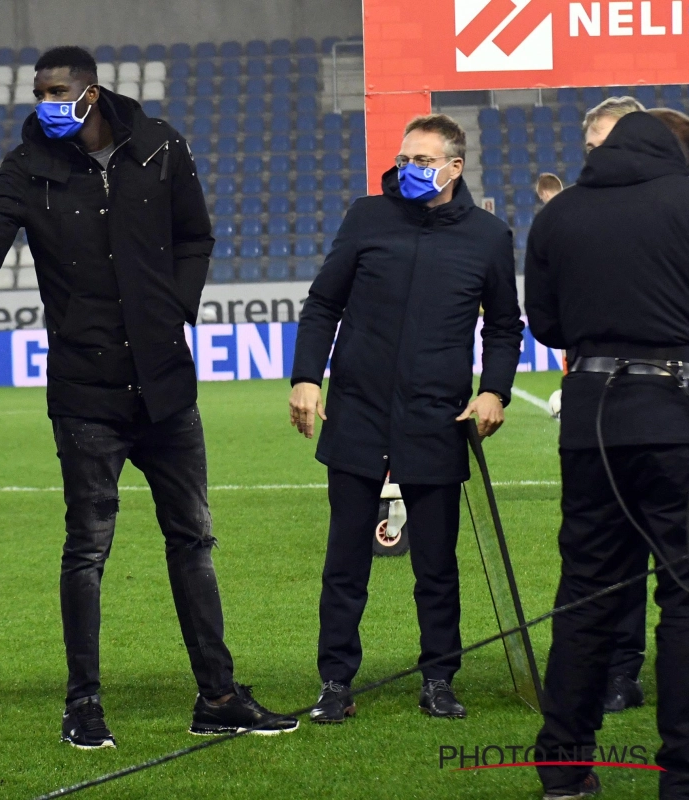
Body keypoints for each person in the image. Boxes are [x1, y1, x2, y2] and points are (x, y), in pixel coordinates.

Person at [0, 45, 297, 748]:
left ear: (91, 94)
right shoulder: (25, 167)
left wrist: (174, 310)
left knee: (193, 540)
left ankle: (218, 696)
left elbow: (196, 235)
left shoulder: (161, 147)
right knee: (87, 551)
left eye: (57, 91)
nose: (46, 102)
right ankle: (84, 705)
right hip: (84, 394)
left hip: (166, 389)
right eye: (38, 91)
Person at [288, 114, 523, 724]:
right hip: (359, 412)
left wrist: (495, 389)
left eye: (422, 161)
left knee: (437, 565)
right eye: (404, 158)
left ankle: (439, 678)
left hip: (437, 417)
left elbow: (503, 326)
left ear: (454, 167)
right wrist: (307, 377)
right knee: (345, 562)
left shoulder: (489, 237)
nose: (408, 170)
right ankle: (335, 681)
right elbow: (322, 303)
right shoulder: (367, 216)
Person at [525, 110, 689, 800]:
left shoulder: (560, 215)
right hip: (678, 414)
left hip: (592, 418)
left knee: (588, 593)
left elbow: (548, 324)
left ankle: (563, 765)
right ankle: (682, 773)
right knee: (684, 599)